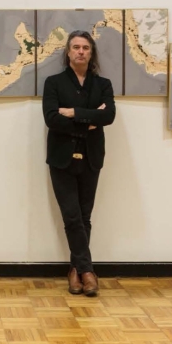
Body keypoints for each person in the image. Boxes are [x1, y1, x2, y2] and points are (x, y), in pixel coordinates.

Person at [42, 30, 116, 296]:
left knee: (84, 217)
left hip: (91, 157)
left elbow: (109, 116)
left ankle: (75, 270)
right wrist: (89, 120)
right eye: (76, 47)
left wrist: (72, 112)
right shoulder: (53, 83)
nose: (81, 51)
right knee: (72, 215)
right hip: (61, 159)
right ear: (68, 52)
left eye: (85, 47)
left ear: (91, 52)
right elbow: (51, 118)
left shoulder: (103, 84)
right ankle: (87, 271)